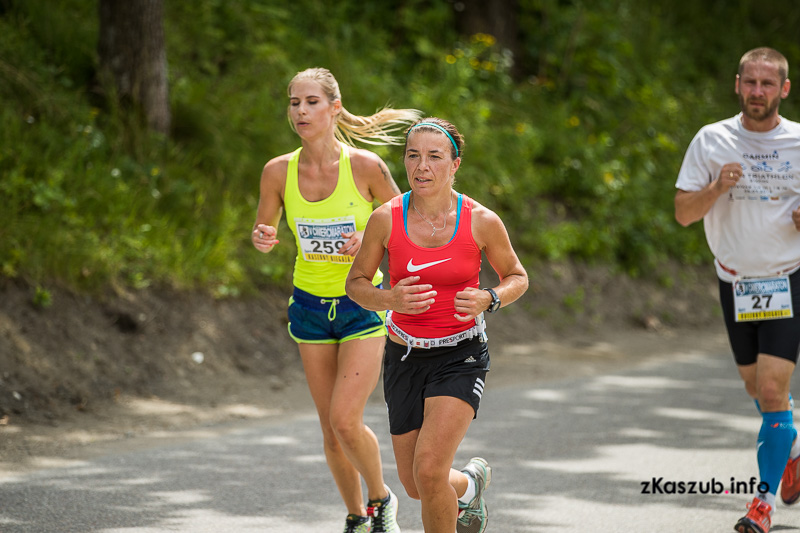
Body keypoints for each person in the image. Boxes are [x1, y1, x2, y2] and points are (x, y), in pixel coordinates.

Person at [252, 67, 420, 533]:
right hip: (309, 307)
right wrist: (262, 238)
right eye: (294, 102)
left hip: (361, 305)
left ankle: (381, 500)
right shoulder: (277, 171)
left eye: (311, 102)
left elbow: (406, 222)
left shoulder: (365, 167)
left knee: (345, 420)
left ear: (334, 108)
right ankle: (356, 517)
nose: (301, 111)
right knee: (330, 430)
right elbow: (264, 230)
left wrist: (370, 236)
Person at [345, 117, 529, 533]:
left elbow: (517, 276)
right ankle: (469, 486)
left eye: (434, 156)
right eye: (413, 155)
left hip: (461, 354)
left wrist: (489, 297)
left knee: (428, 472)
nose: (422, 166)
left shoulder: (481, 220)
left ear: (455, 164)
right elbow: (356, 284)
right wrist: (389, 299)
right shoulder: (386, 218)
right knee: (415, 484)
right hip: (404, 354)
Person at [675, 47, 800, 533]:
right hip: (736, 280)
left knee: (771, 388)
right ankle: (791, 446)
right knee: (756, 388)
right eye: (750, 82)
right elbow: (684, 214)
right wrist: (716, 188)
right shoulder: (712, 139)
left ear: (783, 89)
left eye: (767, 84)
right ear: (737, 84)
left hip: (787, 277)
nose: (757, 92)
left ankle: (761, 504)